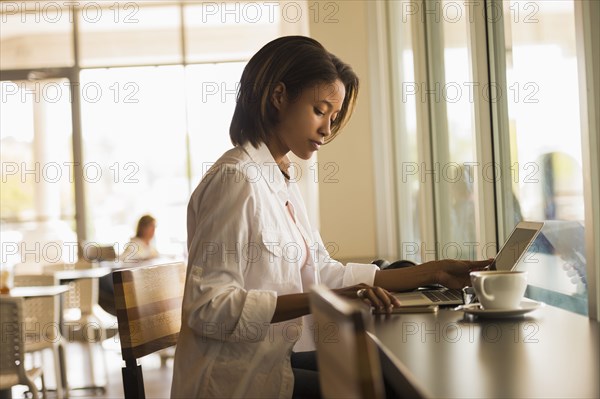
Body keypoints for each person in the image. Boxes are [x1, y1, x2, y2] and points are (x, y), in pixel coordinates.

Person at [171, 36, 492, 399]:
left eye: (333, 117)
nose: (327, 129)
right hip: (237, 382)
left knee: (383, 372)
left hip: (272, 362)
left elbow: (321, 270)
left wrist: (430, 273)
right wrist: (329, 297)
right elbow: (208, 308)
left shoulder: (279, 178)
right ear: (278, 97)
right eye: (320, 111)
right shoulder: (236, 180)